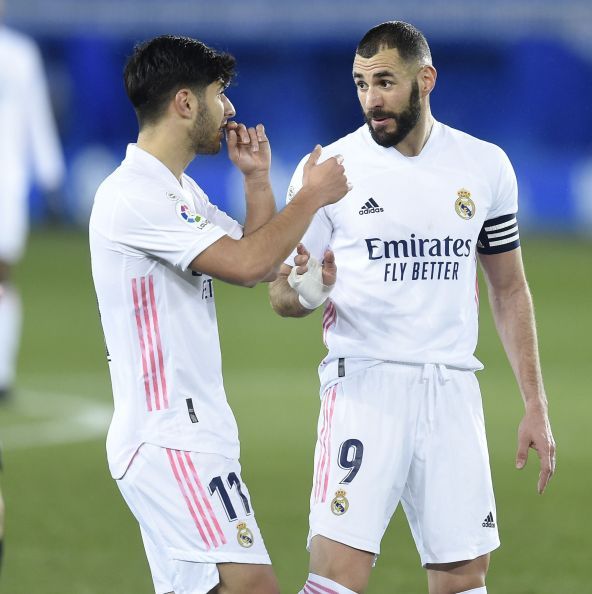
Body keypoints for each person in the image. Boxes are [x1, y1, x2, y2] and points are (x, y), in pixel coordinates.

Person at [269, 21, 556, 594]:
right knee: (337, 577)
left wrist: (535, 403)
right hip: (364, 387)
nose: (371, 99)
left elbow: (508, 288)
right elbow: (281, 292)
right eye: (360, 84)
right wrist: (307, 290)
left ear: (426, 79)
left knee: (464, 578)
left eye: (385, 82)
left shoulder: (485, 166)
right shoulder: (326, 171)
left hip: (452, 388)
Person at [89, 35, 349, 594]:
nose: (229, 109)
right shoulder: (134, 196)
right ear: (185, 103)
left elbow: (261, 257)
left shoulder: (177, 192)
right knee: (254, 587)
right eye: (219, 93)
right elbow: (250, 263)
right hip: (169, 438)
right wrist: (312, 197)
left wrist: (257, 181)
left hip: (189, 434)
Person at [0, 1, 66, 402]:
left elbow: (36, 115)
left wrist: (50, 174)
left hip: (5, 179)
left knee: (2, 274)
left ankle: (2, 372)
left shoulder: (19, 54)